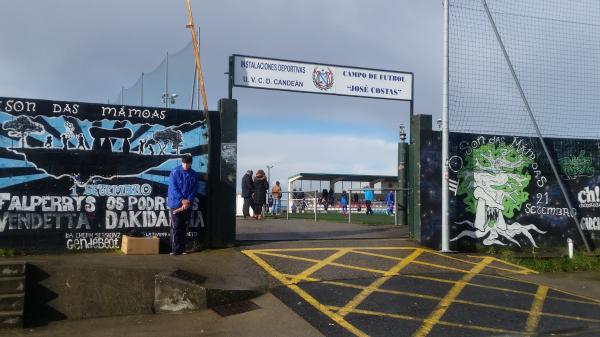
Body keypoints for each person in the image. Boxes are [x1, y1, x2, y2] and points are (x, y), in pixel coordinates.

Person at [167, 154, 198, 255]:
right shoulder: (175, 172)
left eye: (187, 163)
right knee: (176, 227)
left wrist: (188, 201)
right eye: (184, 163)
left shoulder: (193, 174)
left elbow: (194, 189)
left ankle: (183, 249)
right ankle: (175, 250)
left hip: (187, 205)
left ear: (190, 163)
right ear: (181, 162)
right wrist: (182, 200)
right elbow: (173, 188)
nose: (185, 165)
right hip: (175, 203)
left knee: (185, 226)